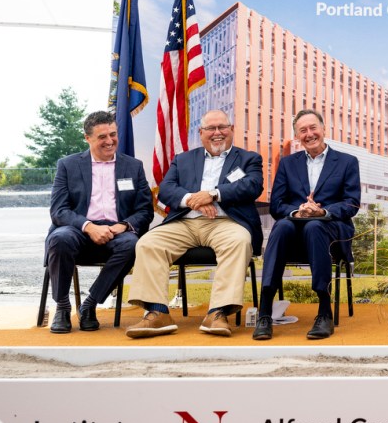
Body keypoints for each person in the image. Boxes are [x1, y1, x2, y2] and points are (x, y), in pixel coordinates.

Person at [124, 110, 264, 339]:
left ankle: (218, 313)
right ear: (201, 133)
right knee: (148, 243)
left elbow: (252, 185)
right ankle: (157, 313)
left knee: (239, 241)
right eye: (211, 128)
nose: (217, 133)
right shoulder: (183, 159)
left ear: (232, 130)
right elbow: (167, 189)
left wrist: (213, 194)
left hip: (226, 222)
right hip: (185, 223)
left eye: (222, 127)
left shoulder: (249, 159)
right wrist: (192, 200)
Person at [254, 109, 360, 341]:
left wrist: (322, 211)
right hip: (294, 227)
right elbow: (277, 205)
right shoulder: (287, 164)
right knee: (281, 226)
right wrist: (297, 211)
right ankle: (264, 312)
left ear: (324, 129)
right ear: (297, 136)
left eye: (313, 128)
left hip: (332, 228)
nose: (309, 134)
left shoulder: (347, 162)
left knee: (315, 226)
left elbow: (352, 204)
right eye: (303, 130)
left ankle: (324, 311)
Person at [44, 110, 152, 333]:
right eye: (102, 136)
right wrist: (88, 226)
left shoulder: (133, 166)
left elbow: (144, 210)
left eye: (113, 134)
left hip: (116, 230)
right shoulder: (68, 165)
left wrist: (123, 225)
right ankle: (62, 307)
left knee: (132, 244)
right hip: (77, 229)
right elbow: (59, 210)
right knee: (59, 238)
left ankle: (89, 304)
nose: (109, 141)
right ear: (87, 138)